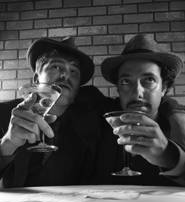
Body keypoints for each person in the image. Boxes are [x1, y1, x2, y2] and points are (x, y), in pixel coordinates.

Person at [0, 36, 110, 187]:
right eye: (56, 67)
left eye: (74, 71)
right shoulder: (5, 114)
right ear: (36, 79)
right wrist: (7, 144)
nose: (65, 76)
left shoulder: (92, 123)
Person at [98, 33, 185, 186]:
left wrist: (169, 156)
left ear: (164, 88)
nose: (137, 92)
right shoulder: (100, 120)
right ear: (118, 89)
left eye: (149, 80)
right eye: (126, 81)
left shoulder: (179, 123)